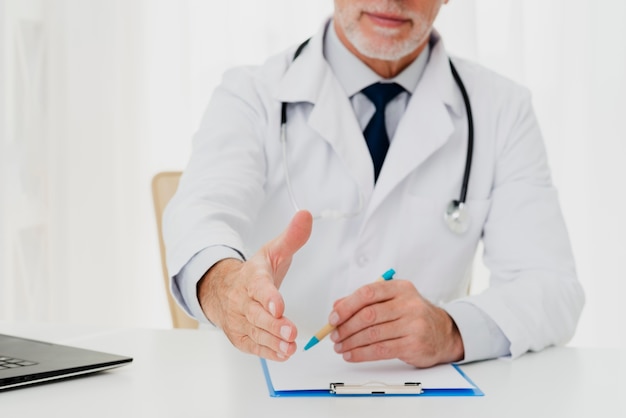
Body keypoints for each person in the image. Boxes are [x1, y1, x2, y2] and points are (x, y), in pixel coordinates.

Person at [163, 0, 584, 368]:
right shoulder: (252, 94)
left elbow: (550, 284)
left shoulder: (502, 110)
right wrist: (226, 287)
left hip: (422, 398)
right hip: (263, 390)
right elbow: (199, 215)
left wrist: (450, 330)